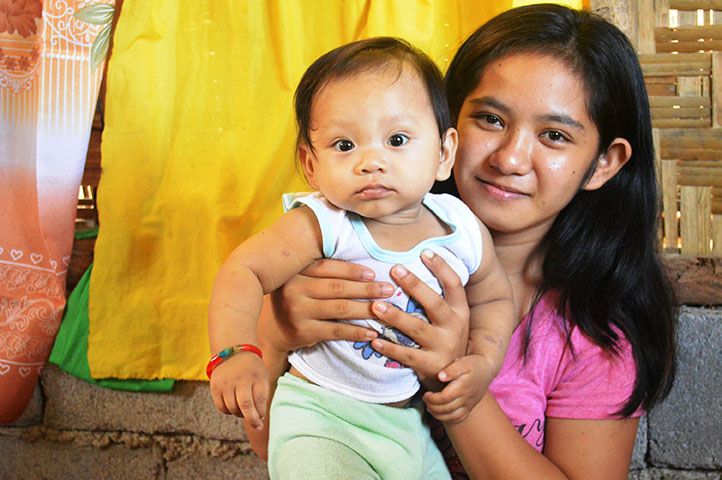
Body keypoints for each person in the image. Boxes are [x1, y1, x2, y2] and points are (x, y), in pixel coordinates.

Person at [248, 4, 678, 480]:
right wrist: (274, 335)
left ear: (603, 163)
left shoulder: (595, 338)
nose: (511, 158)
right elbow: (278, 449)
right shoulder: (342, 246)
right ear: (444, 129)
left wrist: (452, 377)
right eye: (491, 119)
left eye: (553, 135)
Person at [207, 37, 516, 479]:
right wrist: (236, 351)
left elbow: (493, 300)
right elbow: (244, 269)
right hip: (320, 419)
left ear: (444, 153)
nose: (371, 161)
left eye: (396, 139)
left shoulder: (460, 227)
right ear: (310, 166)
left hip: (406, 426)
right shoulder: (323, 223)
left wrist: (482, 362)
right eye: (345, 145)